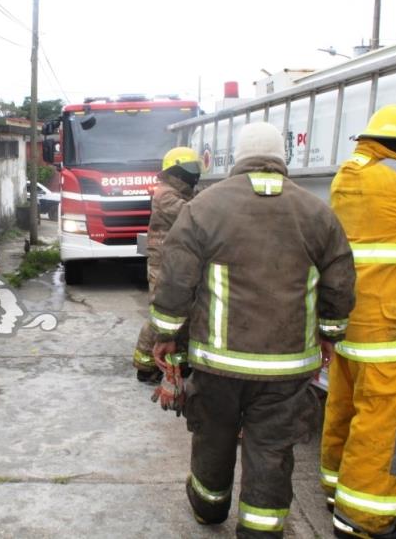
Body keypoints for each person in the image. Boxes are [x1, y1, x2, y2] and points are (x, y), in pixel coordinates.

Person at [150, 122, 356, 538]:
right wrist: (330, 334)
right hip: (286, 369)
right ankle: (261, 530)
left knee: (214, 435)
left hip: (217, 366)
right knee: (272, 449)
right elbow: (340, 280)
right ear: (283, 158)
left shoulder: (205, 207)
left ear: (239, 159)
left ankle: (209, 509)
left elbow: (176, 280)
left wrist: (166, 334)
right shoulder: (316, 213)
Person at [320, 104, 396, 539]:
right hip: (392, 330)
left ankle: (336, 492)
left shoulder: (348, 176)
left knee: (345, 409)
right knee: (384, 423)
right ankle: (363, 521)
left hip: (352, 324)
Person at [133, 146, 203, 384]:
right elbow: (190, 216)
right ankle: (145, 364)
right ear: (177, 171)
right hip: (163, 264)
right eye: (189, 170)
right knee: (160, 316)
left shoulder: (185, 193)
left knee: (184, 314)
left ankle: (179, 363)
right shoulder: (166, 194)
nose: (195, 175)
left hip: (179, 263)